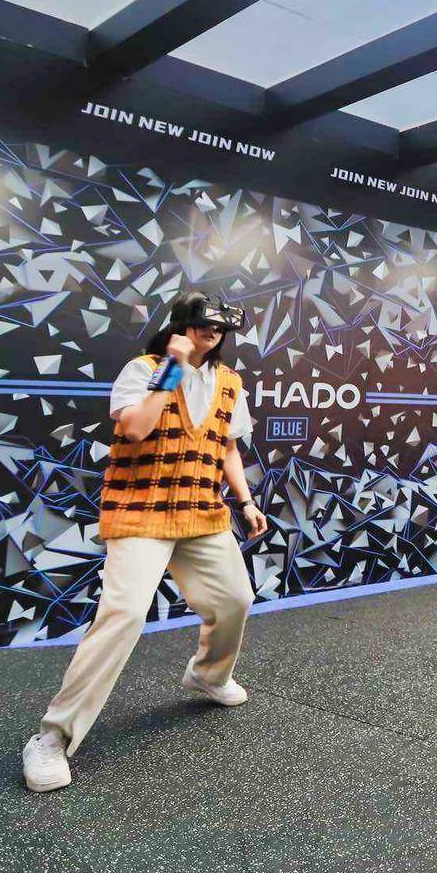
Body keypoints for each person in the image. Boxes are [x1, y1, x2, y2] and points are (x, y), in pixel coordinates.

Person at [22, 292, 264, 793]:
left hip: (202, 512)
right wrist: (173, 368)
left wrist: (245, 501)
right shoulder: (144, 370)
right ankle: (52, 737)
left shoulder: (230, 383)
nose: (212, 333)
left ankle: (208, 675)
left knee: (236, 599)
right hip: (141, 512)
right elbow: (134, 428)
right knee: (125, 614)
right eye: (203, 324)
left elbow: (227, 448)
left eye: (220, 327)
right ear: (180, 325)